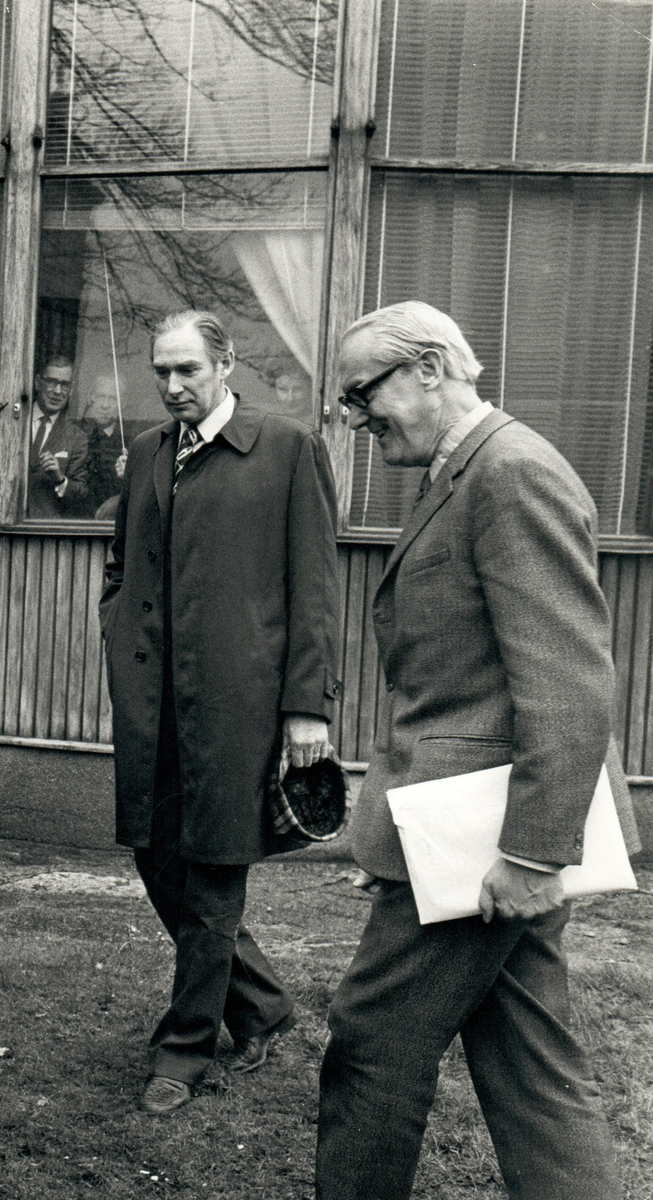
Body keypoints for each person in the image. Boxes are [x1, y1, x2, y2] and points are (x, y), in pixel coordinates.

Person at [316, 301, 641, 1200]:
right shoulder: (465, 474)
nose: (355, 417)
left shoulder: (508, 473)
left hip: (498, 847)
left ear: (427, 368)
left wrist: (534, 850)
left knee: (371, 1044)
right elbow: (464, 690)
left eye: (359, 393)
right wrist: (403, 841)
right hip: (468, 841)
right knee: (529, 1062)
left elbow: (568, 680)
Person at [99, 310, 341, 1116]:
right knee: (153, 856)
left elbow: (314, 590)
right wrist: (117, 626)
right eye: (160, 372)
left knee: (211, 873)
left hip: (241, 706)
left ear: (226, 364)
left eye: (187, 372)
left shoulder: (286, 450)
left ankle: (185, 1048)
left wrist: (307, 708)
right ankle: (264, 1007)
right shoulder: (145, 455)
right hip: (152, 704)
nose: (171, 387)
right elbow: (120, 567)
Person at [27, 354, 90, 518]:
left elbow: (82, 495)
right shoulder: (15, 424)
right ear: (38, 383)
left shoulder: (77, 438)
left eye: (65, 385)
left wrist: (60, 479)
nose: (57, 391)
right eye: (51, 382)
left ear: (71, 389)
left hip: (47, 534)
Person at [78, 372, 130, 519]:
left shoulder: (131, 440)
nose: (105, 405)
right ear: (91, 398)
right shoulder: (77, 434)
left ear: (123, 403)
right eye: (101, 397)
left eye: (113, 399)